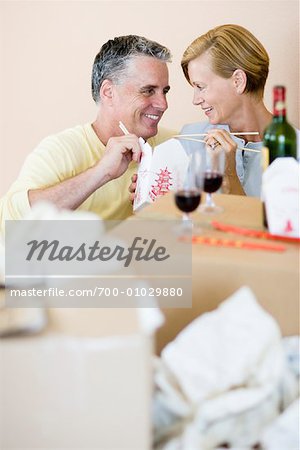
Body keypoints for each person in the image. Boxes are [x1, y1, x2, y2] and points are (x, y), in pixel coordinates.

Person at [0, 35, 174, 234]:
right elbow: (9, 224)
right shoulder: (61, 150)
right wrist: (101, 172)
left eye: (165, 91)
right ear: (108, 92)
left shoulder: (172, 146)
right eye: (148, 91)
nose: (163, 104)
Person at [180, 24, 275, 197]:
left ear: (238, 81)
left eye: (200, 87)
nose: (195, 100)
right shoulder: (191, 139)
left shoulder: (293, 153)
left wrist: (229, 173)